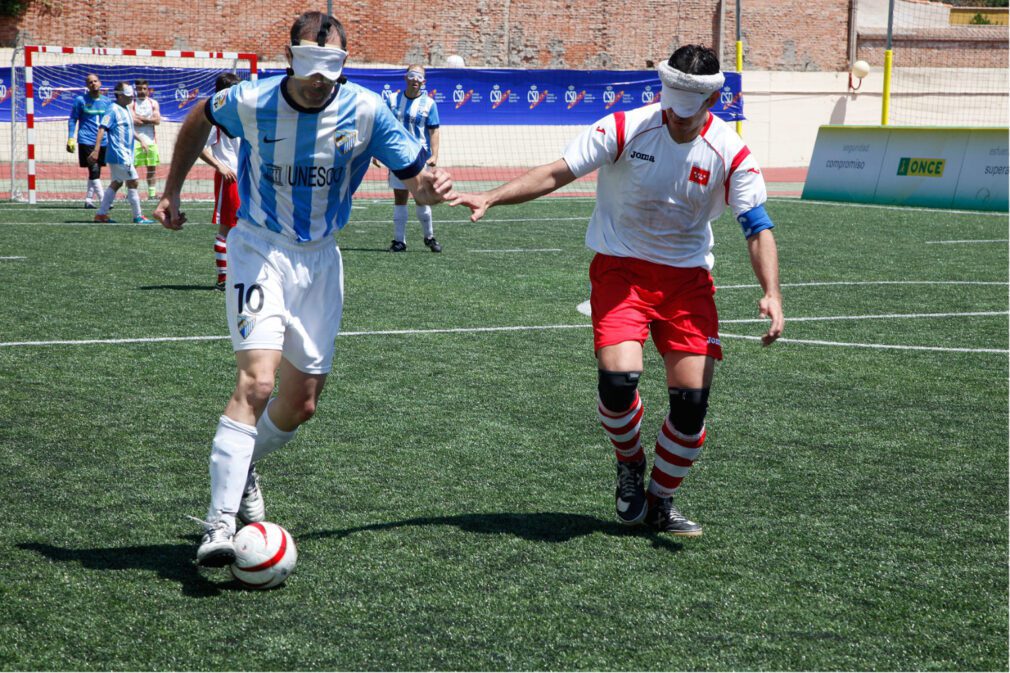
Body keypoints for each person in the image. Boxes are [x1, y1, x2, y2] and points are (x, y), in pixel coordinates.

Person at [153, 11, 455, 567]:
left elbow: (418, 180)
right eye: (310, 64)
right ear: (289, 57)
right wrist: (171, 190)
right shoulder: (251, 100)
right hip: (259, 248)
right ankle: (218, 525)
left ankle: (243, 468)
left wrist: (432, 187)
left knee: (301, 403)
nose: (320, 77)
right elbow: (200, 115)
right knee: (259, 380)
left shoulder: (367, 111)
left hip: (320, 262)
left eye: (332, 65)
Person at [451, 45, 784, 537]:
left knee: (691, 407)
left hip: (687, 282)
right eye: (671, 105)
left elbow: (756, 226)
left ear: (711, 102)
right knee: (618, 382)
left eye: (688, 112)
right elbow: (558, 171)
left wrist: (771, 293)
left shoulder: (730, 152)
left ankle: (660, 500)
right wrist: (492, 196)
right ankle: (630, 464)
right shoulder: (624, 128)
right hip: (621, 273)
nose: (676, 117)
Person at [380, 65, 443, 253]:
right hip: (396, 155)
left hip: (419, 158)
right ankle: (399, 241)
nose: (415, 79)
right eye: (412, 75)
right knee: (400, 198)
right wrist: (377, 152)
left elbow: (434, 130)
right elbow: (382, 127)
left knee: (421, 198)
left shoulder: (429, 104)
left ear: (424, 81)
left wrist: (435, 154)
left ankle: (429, 237)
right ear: (406, 78)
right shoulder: (392, 100)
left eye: (420, 77)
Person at [197, 73, 242, 291]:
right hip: (229, 177)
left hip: (245, 177)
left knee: (245, 228)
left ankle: (238, 275)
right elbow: (200, 148)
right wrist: (220, 166)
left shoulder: (240, 114)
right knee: (227, 228)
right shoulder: (214, 117)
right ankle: (223, 278)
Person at [89, 82, 156, 224]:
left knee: (117, 183)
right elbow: (102, 128)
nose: (131, 97)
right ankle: (138, 216)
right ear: (119, 96)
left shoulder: (125, 108)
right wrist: (96, 149)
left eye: (132, 95)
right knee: (133, 181)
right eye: (128, 95)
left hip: (125, 154)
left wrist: (141, 140)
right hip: (119, 154)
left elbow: (129, 130)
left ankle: (101, 214)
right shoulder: (112, 109)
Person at [67, 73, 112, 209]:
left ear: (100, 83)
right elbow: (73, 119)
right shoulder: (80, 100)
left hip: (103, 141)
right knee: (93, 169)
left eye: (95, 81)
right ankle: (104, 200)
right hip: (86, 139)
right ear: (87, 85)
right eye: (90, 82)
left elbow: (109, 122)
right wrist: (71, 137)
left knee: (96, 171)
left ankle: (88, 200)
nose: (93, 84)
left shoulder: (107, 101)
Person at [130, 78, 162, 200]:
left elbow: (157, 121)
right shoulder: (131, 103)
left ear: (148, 89)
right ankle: (131, 193)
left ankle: (152, 194)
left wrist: (141, 119)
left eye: (144, 88)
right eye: (139, 88)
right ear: (136, 89)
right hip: (135, 141)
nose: (142, 91)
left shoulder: (153, 103)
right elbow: (133, 120)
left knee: (151, 169)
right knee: (132, 169)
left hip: (151, 141)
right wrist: (148, 119)